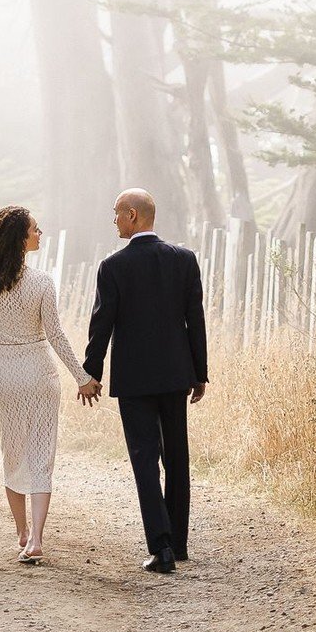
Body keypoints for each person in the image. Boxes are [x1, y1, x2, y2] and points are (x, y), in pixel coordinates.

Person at [81, 188, 208, 575]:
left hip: (134, 379)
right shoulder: (184, 260)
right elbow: (195, 320)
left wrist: (92, 371)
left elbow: (102, 323)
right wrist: (199, 373)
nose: (114, 220)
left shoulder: (113, 266)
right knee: (177, 458)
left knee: (144, 460)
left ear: (133, 215)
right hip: (175, 374)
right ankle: (180, 542)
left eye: (117, 213)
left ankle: (162, 547)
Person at [0, 205, 99, 566]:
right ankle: (37, 539)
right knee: (41, 454)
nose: (41, 234)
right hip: (39, 371)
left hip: (4, 373)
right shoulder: (42, 282)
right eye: (36, 230)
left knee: (13, 452)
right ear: (21, 239)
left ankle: (21, 533)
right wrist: (81, 376)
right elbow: (55, 334)